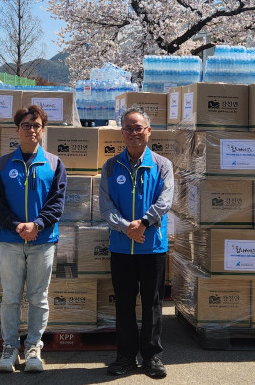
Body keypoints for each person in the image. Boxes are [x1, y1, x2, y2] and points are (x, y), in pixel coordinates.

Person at [0, 104, 67, 373]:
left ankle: (33, 347)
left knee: (38, 297)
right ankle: (9, 348)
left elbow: (57, 203)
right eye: (26, 125)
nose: (31, 130)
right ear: (17, 129)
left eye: (36, 126)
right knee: (10, 296)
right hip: (10, 239)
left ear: (43, 131)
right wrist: (16, 225)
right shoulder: (2, 164)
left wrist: (37, 225)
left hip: (43, 240)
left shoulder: (54, 163)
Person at [99, 106, 174, 379]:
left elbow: (165, 201)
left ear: (148, 131)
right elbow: (105, 207)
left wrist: (142, 223)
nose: (133, 133)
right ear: (122, 132)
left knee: (153, 303)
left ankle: (152, 356)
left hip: (152, 245)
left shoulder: (162, 165)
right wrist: (125, 227)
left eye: (138, 128)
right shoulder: (110, 166)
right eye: (128, 128)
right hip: (121, 247)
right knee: (124, 303)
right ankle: (125, 356)